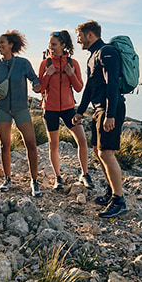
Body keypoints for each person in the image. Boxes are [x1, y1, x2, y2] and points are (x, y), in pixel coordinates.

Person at [72, 20, 128, 219]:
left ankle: (119, 200)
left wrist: (110, 114)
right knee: (98, 151)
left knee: (106, 153)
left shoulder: (107, 52)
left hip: (108, 109)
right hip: (98, 110)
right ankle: (112, 192)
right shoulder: (93, 56)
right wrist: (80, 111)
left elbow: (112, 84)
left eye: (79, 36)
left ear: (89, 35)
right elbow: (89, 87)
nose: (77, 40)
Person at [0, 30, 42, 197]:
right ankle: (7, 178)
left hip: (21, 108)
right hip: (2, 109)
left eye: (2, 43)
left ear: (11, 45)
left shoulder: (23, 63)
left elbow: (34, 78)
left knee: (31, 143)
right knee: (4, 145)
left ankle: (34, 180)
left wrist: (37, 86)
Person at [38, 30, 92, 190]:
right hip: (50, 110)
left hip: (69, 109)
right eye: (50, 44)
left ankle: (85, 174)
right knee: (53, 144)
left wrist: (71, 75)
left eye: (54, 44)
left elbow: (79, 87)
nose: (51, 47)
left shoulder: (72, 63)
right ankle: (58, 178)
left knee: (82, 140)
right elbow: (40, 89)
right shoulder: (45, 63)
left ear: (63, 45)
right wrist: (47, 75)